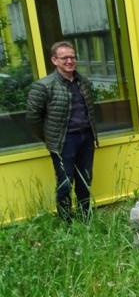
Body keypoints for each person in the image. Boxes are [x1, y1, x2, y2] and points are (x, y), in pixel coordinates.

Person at [26, 41, 98, 222]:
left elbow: (90, 110)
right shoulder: (43, 86)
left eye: (72, 57)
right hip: (63, 142)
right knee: (65, 184)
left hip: (86, 138)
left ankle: (85, 218)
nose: (69, 61)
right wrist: (49, 138)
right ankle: (66, 222)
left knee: (85, 180)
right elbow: (33, 118)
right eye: (64, 57)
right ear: (54, 60)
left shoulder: (84, 82)